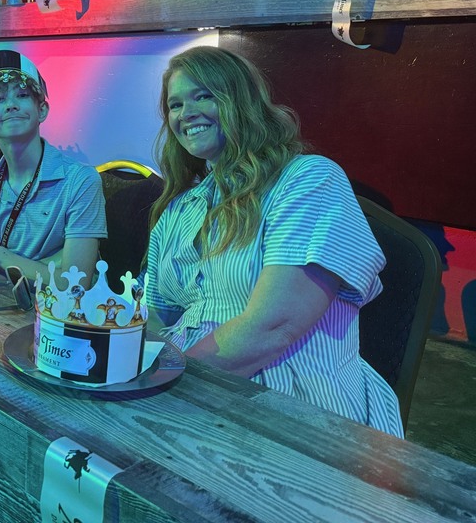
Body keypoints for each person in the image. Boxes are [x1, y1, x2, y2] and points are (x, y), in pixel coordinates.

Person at [144, 46, 403, 437]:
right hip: (187, 388)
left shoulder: (308, 180)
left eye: (204, 95)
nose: (186, 113)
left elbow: (272, 327)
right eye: (175, 104)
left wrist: (157, 380)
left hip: (289, 402)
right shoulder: (179, 208)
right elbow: (152, 317)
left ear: (241, 101)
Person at [0, 50, 106, 284]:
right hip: (3, 313)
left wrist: (2, 258)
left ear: (42, 110)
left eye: (21, 95)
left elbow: (76, 284)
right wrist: (51, 267)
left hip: (66, 317)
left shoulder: (80, 180)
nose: (11, 105)